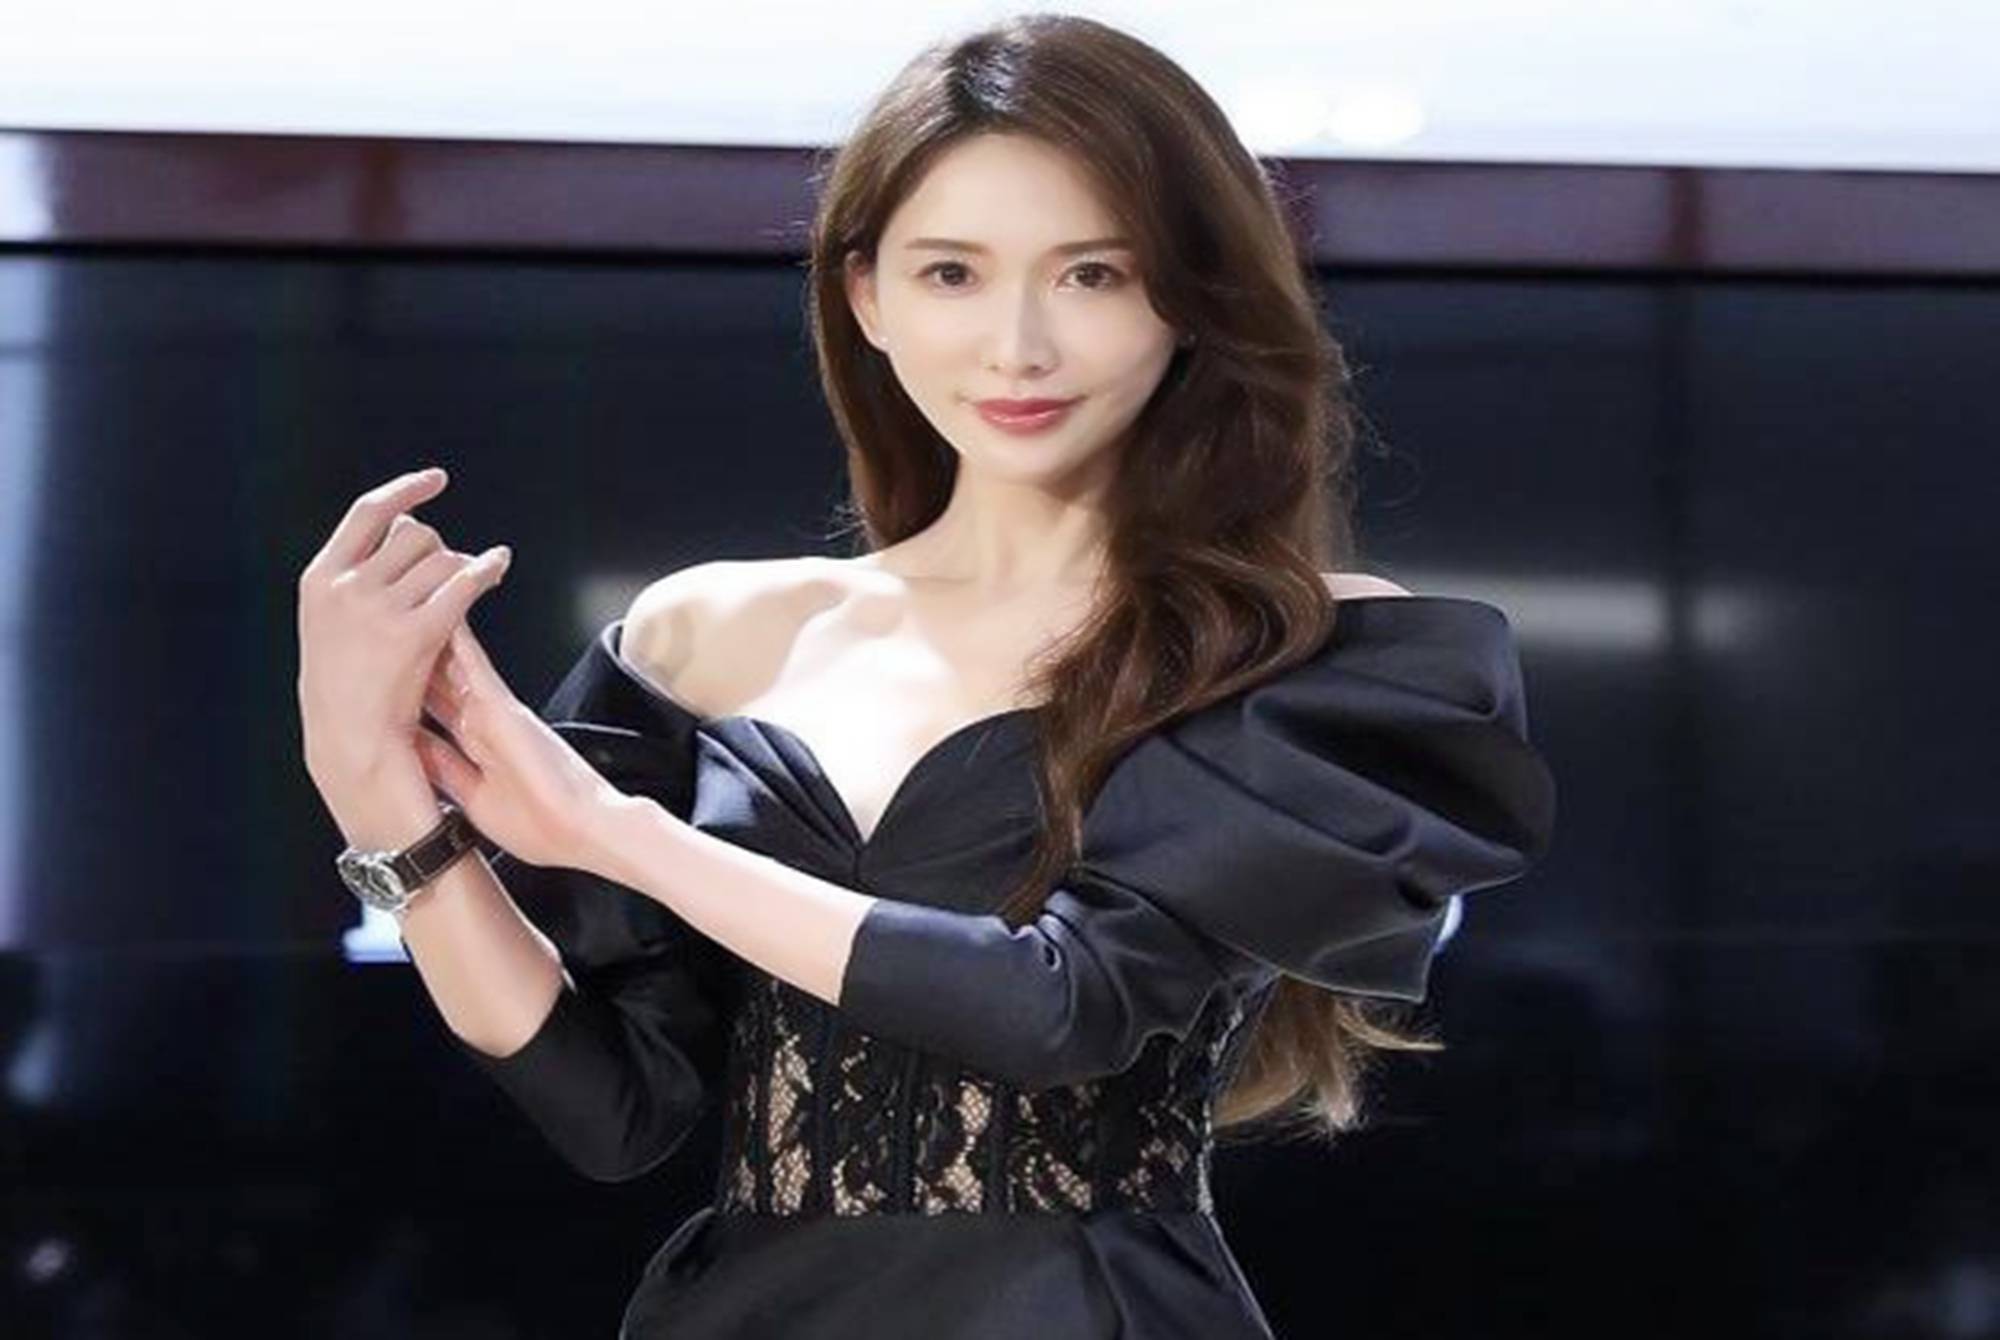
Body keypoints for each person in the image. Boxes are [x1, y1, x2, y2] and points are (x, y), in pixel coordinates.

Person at [297, 13, 1559, 1338]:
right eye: (952, 272)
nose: (1018, 346)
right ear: (866, 296)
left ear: (1192, 296)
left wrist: (619, 837)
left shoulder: (1310, 652)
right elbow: (614, 1108)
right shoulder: (707, 634)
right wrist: (371, 783)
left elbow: (1060, 1004)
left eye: (1093, 274)